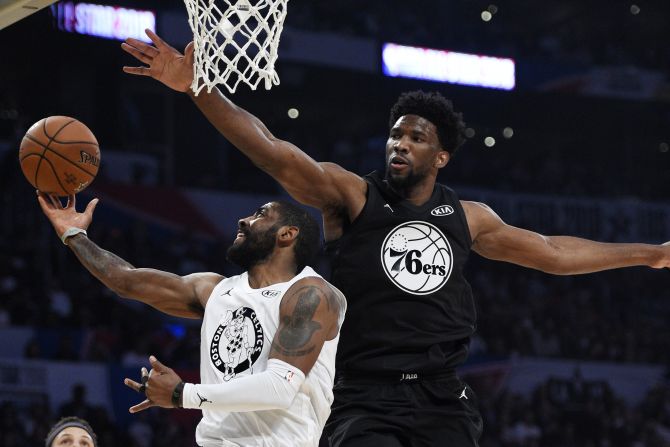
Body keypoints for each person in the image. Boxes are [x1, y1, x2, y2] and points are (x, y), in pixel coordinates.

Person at [120, 31, 670, 446]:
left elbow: (552, 253)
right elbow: (272, 150)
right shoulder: (353, 196)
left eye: (416, 137)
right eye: (395, 134)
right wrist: (198, 88)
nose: (399, 144)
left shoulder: (468, 216)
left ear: (442, 155)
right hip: (363, 395)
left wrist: (652, 254)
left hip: (442, 393)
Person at [37, 192, 346, 447]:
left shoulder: (310, 294)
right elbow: (126, 281)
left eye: (260, 215)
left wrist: (181, 394)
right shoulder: (214, 289)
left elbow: (280, 388)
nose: (244, 219)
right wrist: (74, 235)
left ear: (287, 234)